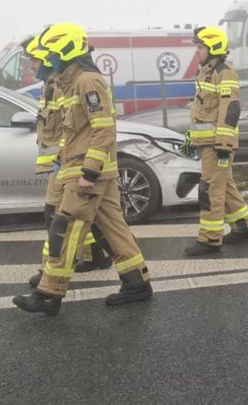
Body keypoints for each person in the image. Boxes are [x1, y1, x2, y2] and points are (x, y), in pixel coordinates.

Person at [13, 23, 151, 314]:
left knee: (66, 228)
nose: (45, 59)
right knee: (112, 229)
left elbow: (104, 129)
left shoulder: (88, 81)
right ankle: (137, 283)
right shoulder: (69, 83)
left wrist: (89, 171)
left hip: (88, 170)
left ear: (65, 51)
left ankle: (49, 293)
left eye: (49, 54)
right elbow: (69, 132)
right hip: (78, 166)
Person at [23, 45, 111, 291]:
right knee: (85, 218)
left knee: (59, 218)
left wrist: (79, 166)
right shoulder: (53, 85)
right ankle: (96, 256)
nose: (32, 66)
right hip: (64, 162)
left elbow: (79, 128)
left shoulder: (71, 84)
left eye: (35, 60)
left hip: (71, 163)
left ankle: (50, 276)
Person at [182, 25, 248, 255]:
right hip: (208, 144)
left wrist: (223, 144)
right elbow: (202, 111)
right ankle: (242, 227)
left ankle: (210, 239)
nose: (198, 51)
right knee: (225, 185)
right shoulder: (206, 72)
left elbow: (230, 109)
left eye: (201, 46)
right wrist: (190, 135)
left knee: (211, 189)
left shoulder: (224, 72)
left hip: (217, 145)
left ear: (213, 47)